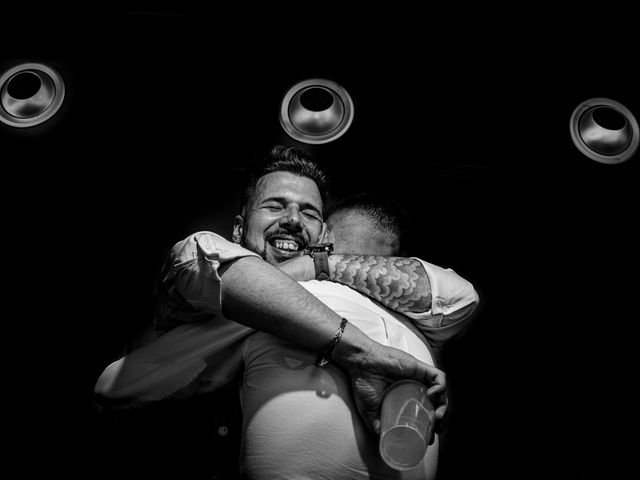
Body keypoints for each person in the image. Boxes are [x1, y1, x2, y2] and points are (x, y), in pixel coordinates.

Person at [95, 146, 478, 478]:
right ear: (239, 229)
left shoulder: (407, 305)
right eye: (275, 205)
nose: (293, 219)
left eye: (309, 213)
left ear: (324, 235)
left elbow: (461, 298)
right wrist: (364, 355)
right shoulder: (238, 311)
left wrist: (318, 267)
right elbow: (117, 387)